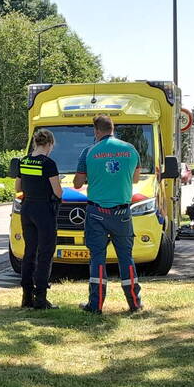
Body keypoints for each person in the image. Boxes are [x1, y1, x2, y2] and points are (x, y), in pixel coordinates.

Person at [73, 115, 142, 314]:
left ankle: (96, 305)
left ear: (96, 131)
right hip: (122, 213)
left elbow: (77, 183)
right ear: (113, 128)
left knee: (97, 258)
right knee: (126, 258)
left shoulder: (88, 152)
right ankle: (134, 303)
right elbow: (135, 178)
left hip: (97, 213)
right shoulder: (130, 149)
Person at [15, 129, 63, 309]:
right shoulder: (48, 163)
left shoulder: (24, 161)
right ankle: (41, 297)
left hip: (27, 209)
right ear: (49, 144)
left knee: (29, 252)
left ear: (35, 143)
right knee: (45, 253)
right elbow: (58, 192)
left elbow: (18, 188)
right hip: (44, 210)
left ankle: (26, 296)